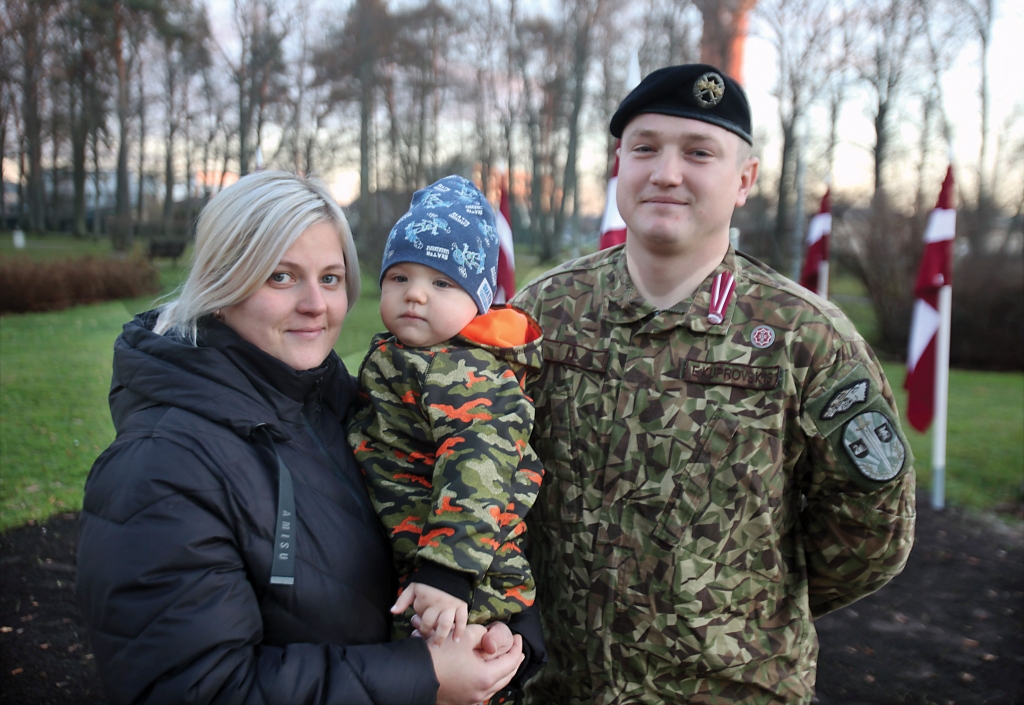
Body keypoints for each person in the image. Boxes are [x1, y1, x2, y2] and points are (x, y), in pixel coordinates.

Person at [510, 64, 917, 704]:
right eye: (645, 148)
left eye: (699, 152)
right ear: (620, 163)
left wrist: (739, 603)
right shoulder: (543, 314)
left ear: (745, 180)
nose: (666, 172)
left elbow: (871, 531)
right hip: (560, 688)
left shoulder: (803, 338)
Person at [76, 170, 532, 705]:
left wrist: (505, 624)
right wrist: (422, 677)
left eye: (331, 278)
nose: (316, 303)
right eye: (281, 277)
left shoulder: (344, 406)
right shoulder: (159, 468)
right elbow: (197, 689)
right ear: (222, 286)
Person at [348, 175, 545, 651]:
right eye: (400, 278)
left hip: (463, 579)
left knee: (454, 671)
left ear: (477, 300)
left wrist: (448, 572)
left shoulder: (466, 371)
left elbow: (480, 467)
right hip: (410, 562)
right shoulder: (400, 356)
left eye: (441, 282)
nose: (415, 294)